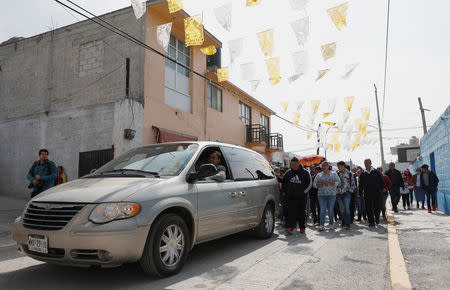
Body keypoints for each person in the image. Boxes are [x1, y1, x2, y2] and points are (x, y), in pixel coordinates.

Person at [281, 157, 312, 234]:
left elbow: (309, 184)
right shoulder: (288, 173)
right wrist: (284, 192)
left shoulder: (305, 173)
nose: (293, 166)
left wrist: (303, 193)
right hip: (291, 197)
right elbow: (284, 183)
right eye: (291, 164)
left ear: (298, 164)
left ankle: (302, 228)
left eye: (294, 164)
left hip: (302, 197)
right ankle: (290, 227)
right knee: (291, 212)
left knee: (301, 212)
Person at [313, 161, 341, 231]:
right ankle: (321, 225)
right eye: (322, 166)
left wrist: (332, 183)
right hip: (321, 195)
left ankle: (331, 224)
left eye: (324, 166)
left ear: (328, 166)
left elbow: (339, 183)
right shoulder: (319, 175)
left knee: (330, 210)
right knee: (322, 210)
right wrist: (320, 183)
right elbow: (314, 185)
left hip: (332, 195)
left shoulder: (334, 174)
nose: (323, 167)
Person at [359, 159, 384, 227]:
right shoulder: (363, 173)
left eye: (367, 163)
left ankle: (377, 218)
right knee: (368, 207)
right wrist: (360, 192)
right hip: (367, 193)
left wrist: (381, 190)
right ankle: (371, 222)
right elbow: (361, 184)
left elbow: (381, 182)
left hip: (376, 193)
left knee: (377, 207)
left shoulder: (376, 172)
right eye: (365, 163)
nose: (366, 164)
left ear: (371, 163)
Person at [336, 161, 356, 229]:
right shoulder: (337, 174)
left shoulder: (350, 174)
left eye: (339, 166)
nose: (338, 168)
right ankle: (343, 222)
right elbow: (336, 184)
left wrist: (349, 192)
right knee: (341, 209)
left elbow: (353, 185)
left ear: (343, 166)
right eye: (338, 166)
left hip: (347, 194)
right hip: (339, 194)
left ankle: (348, 223)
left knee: (347, 209)